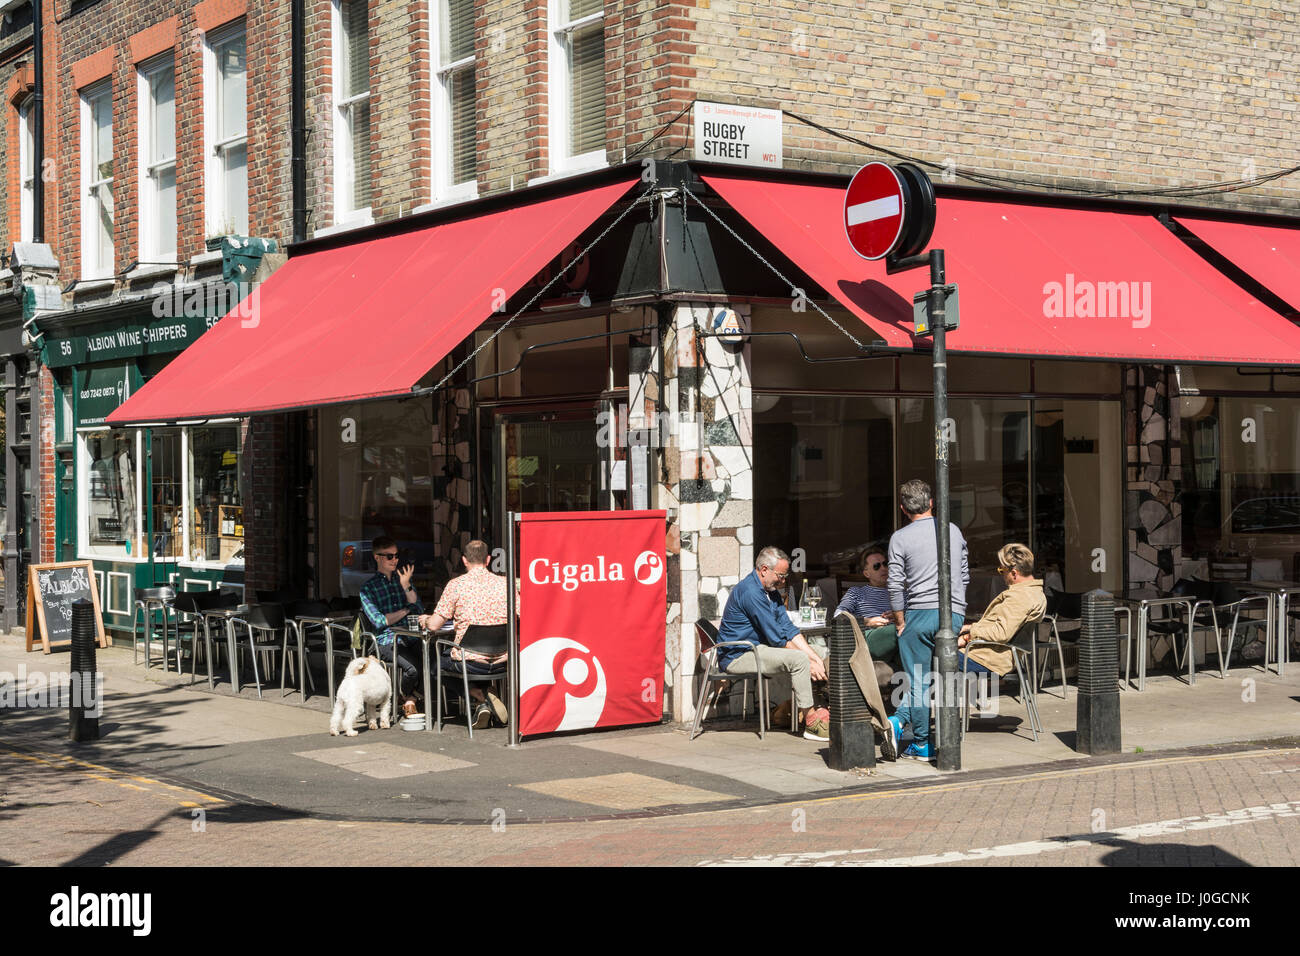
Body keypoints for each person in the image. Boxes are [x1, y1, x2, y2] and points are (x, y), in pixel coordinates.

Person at [884, 479, 970, 762]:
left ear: (902, 508)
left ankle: (920, 741)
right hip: (952, 612)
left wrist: (899, 620)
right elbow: (964, 574)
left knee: (918, 680)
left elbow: (895, 584)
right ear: (932, 502)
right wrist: (957, 606)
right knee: (943, 678)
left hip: (918, 614)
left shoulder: (900, 537)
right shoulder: (953, 531)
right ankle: (907, 725)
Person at [716, 546, 830, 740]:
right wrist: (808, 661)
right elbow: (777, 638)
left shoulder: (771, 591)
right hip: (738, 654)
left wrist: (815, 657)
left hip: (759, 647)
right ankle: (811, 723)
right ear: (764, 570)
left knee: (822, 651)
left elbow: (788, 629)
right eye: (781, 575)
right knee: (799, 660)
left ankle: (824, 705)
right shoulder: (751, 592)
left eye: (785, 576)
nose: (783, 580)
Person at [418, 539, 509, 729]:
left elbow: (434, 626)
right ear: (488, 559)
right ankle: (484, 702)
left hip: (470, 662)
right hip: (503, 661)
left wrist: (425, 619)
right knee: (462, 655)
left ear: (464, 560)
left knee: (434, 664)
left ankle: (480, 696)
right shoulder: (505, 584)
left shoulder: (456, 585)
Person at [957, 543, 1046, 680]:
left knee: (929, 654)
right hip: (991, 655)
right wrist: (970, 628)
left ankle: (932, 699)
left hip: (986, 659)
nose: (1002, 575)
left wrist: (968, 635)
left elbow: (1001, 633)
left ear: (1014, 573)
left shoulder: (1021, 597)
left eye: (1002, 570)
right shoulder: (1035, 592)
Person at [359, 535, 425, 714]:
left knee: (435, 664)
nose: (395, 560)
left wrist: (406, 586)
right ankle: (405, 697)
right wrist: (405, 611)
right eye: (389, 556)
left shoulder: (402, 580)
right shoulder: (368, 589)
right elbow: (380, 621)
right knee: (413, 670)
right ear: (377, 557)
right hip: (386, 640)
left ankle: (408, 699)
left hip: (411, 636)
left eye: (396, 556)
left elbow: (418, 609)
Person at [836, 546, 892, 625]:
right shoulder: (856, 593)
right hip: (871, 634)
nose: (883, 568)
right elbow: (838, 616)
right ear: (866, 573)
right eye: (877, 566)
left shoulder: (901, 593)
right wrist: (867, 622)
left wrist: (899, 616)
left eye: (885, 564)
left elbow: (914, 618)